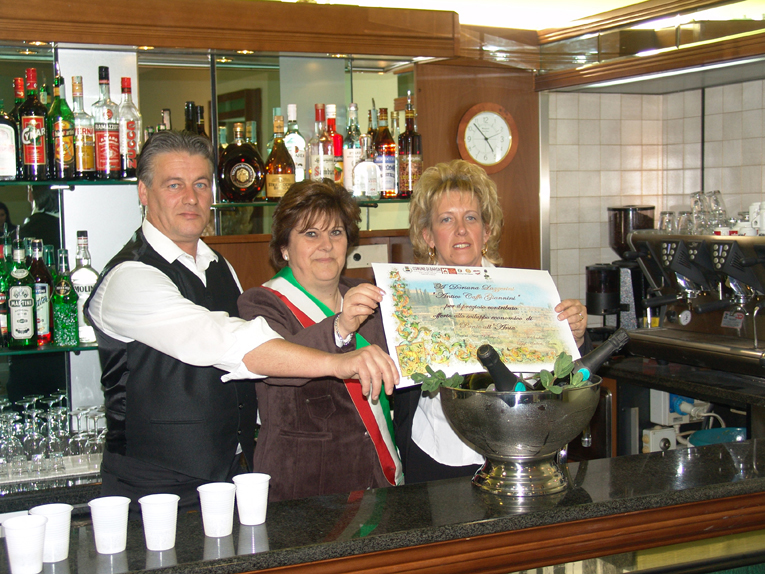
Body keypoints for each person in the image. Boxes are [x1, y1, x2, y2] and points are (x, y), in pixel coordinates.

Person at [85, 131, 398, 516]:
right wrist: (338, 359)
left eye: (201, 184)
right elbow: (224, 341)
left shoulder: (218, 266)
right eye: (174, 185)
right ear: (143, 192)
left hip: (232, 475)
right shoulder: (129, 277)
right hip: (154, 487)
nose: (191, 197)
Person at [396, 159, 590, 483]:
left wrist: (576, 337)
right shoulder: (407, 300)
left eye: (471, 218)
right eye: (447, 219)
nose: (461, 229)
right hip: (433, 452)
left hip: (514, 454)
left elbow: (564, 382)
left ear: (486, 231)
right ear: (428, 235)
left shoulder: (525, 295)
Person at [237, 179, 402, 501]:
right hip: (306, 486)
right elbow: (277, 365)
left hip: (377, 475)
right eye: (311, 234)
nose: (326, 245)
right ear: (284, 248)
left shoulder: (369, 297)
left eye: (336, 232)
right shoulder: (261, 303)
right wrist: (340, 326)